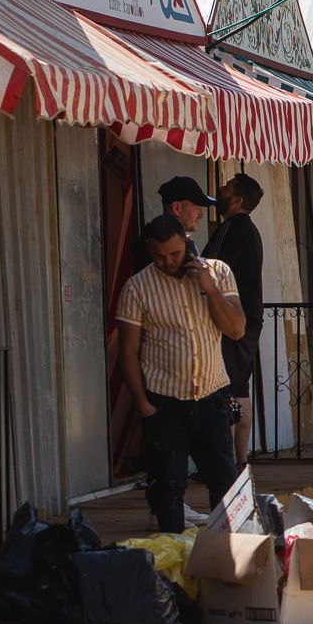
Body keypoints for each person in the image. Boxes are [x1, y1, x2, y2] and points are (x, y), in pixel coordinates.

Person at [118, 215, 245, 532]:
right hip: (165, 403)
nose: (167, 261)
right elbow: (128, 353)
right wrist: (144, 407)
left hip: (212, 398)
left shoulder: (218, 272)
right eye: (159, 255)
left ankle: (225, 556)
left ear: (186, 243)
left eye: (174, 254)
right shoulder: (137, 287)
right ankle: (171, 553)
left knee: (225, 483)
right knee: (168, 486)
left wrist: (209, 289)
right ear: (150, 249)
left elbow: (236, 330)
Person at [203, 173, 263, 467]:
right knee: (240, 388)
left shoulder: (233, 228)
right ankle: (240, 460)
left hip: (232, 318)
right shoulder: (251, 231)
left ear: (237, 200)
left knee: (223, 387)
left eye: (227, 188)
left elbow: (209, 266)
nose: (221, 191)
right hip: (250, 319)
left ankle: (223, 462)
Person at [133, 175, 215, 269]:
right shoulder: (152, 244)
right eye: (197, 206)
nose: (201, 214)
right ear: (177, 208)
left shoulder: (185, 241)